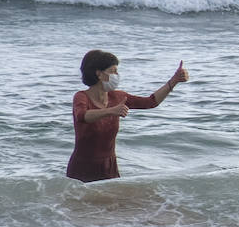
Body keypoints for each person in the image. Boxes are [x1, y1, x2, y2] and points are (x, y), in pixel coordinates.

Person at [67, 51, 189, 182]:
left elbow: (150, 102)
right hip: (82, 166)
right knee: (83, 202)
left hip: (109, 166)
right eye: (113, 71)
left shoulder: (118, 97)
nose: (117, 75)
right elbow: (82, 116)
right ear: (99, 74)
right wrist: (111, 111)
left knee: (118, 202)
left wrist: (174, 81)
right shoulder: (81, 96)